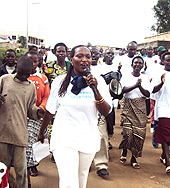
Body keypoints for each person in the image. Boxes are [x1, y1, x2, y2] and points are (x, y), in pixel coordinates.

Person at [38, 45, 112, 188]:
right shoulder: (60, 82)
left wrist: (95, 89)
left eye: (88, 57)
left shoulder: (99, 82)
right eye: (79, 56)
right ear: (71, 60)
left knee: (81, 178)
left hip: (87, 137)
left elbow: (106, 111)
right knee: (68, 182)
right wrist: (42, 132)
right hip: (64, 138)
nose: (84, 60)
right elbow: (50, 110)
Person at [0, 56, 44, 188]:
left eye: (27, 74)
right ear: (16, 68)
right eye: (21, 72)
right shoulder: (4, 80)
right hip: (3, 132)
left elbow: (30, 109)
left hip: (20, 135)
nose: (24, 76)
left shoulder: (30, 87)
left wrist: (38, 112)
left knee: (21, 170)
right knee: (2, 168)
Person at [119, 55, 150, 169]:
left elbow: (147, 94)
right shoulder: (126, 76)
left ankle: (134, 157)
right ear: (132, 65)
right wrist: (135, 85)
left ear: (142, 66)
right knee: (128, 133)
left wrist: (140, 86)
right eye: (135, 63)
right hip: (128, 105)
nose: (137, 65)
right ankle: (124, 151)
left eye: (140, 63)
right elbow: (122, 90)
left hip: (140, 107)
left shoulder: (145, 77)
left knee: (139, 134)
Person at [25, 51, 50, 181]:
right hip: (21, 115)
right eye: (30, 61)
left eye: (35, 61)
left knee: (32, 142)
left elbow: (46, 96)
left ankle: (32, 165)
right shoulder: (18, 77)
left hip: (36, 116)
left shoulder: (43, 78)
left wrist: (40, 109)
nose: (33, 64)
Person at [89, 46, 111, 178]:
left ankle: (101, 165)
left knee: (101, 138)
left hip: (98, 112)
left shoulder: (100, 75)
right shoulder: (73, 74)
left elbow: (106, 95)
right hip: (80, 115)